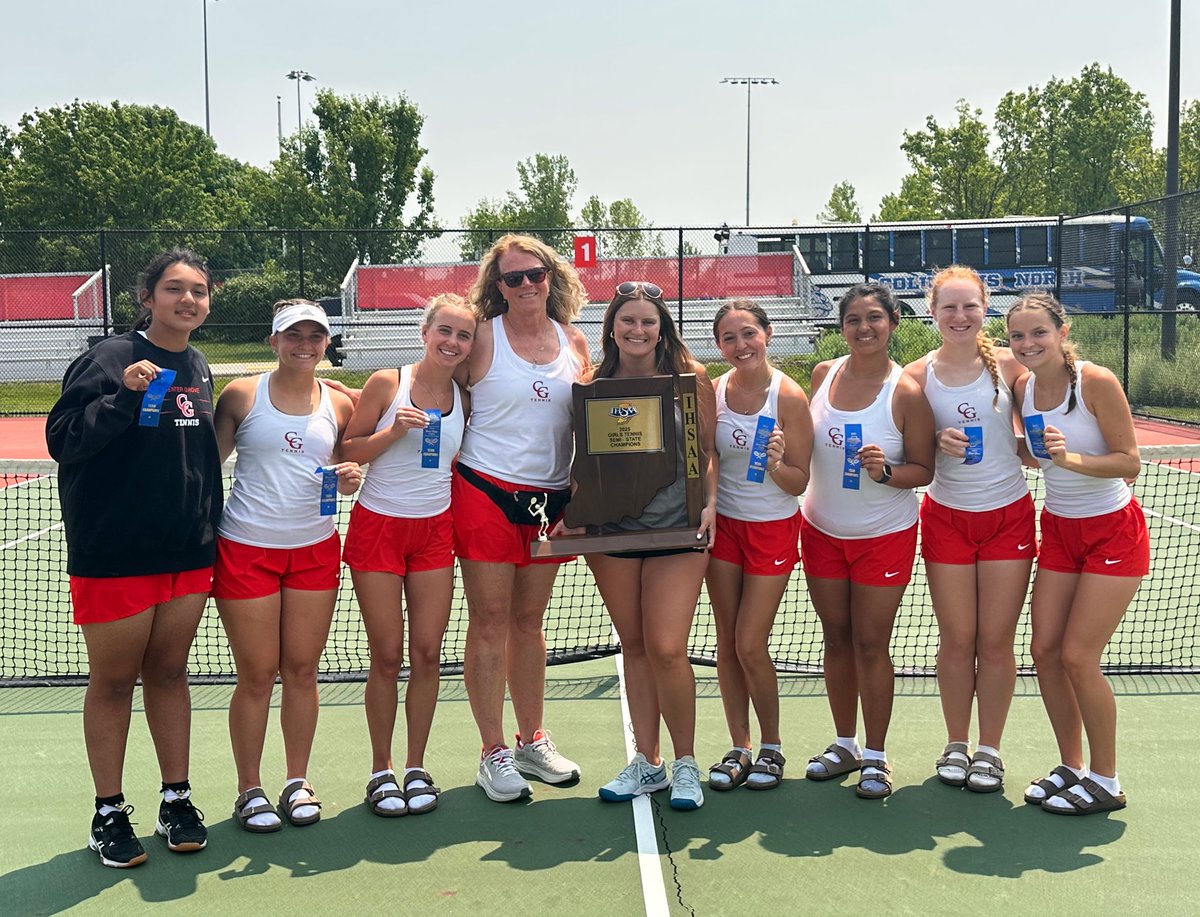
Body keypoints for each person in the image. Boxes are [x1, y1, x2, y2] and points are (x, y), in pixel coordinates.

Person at [46, 249, 220, 868]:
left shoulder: (198, 364)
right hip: (116, 554)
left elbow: (199, 454)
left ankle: (177, 799)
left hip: (187, 554)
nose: (188, 300)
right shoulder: (107, 358)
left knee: (170, 675)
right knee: (115, 682)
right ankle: (109, 810)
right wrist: (123, 394)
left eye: (198, 290)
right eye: (174, 289)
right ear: (147, 298)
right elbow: (64, 439)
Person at [213, 299, 362, 832]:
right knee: (256, 675)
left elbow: (344, 462)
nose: (304, 345)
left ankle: (297, 782)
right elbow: (204, 466)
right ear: (273, 341)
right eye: (293, 335)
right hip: (246, 549)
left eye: (314, 336)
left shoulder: (339, 403)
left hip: (314, 551)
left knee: (301, 671)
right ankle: (248, 789)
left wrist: (348, 477)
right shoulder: (240, 395)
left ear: (326, 343)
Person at [455, 234, 592, 803]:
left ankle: (532, 740)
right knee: (490, 621)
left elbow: (589, 427)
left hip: (549, 503)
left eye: (536, 274)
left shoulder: (574, 341)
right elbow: (440, 394)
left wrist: (580, 499)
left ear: (550, 277)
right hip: (484, 493)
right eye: (514, 278)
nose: (527, 284)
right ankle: (493, 752)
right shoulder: (481, 336)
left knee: (529, 622)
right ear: (499, 286)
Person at [1007, 292, 1148, 815]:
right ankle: (1073, 766)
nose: (1027, 344)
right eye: (1017, 336)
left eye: (1038, 333)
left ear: (1062, 332)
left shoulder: (1095, 382)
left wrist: (1072, 460)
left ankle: (1107, 781)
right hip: (1060, 530)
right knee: (1044, 651)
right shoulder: (1022, 387)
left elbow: (1129, 462)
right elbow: (1036, 453)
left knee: (1078, 656)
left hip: (1113, 531)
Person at [340, 294, 477, 817]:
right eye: (445, 331)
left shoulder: (466, 395)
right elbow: (348, 450)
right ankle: (381, 770)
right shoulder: (386, 383)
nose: (452, 342)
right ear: (425, 333)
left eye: (463, 335)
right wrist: (393, 431)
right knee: (387, 656)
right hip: (378, 528)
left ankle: (416, 767)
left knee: (427, 655)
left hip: (435, 533)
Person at [584, 281, 718, 810]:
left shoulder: (691, 377)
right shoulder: (592, 383)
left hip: (678, 532)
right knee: (635, 647)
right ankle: (648, 763)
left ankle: (685, 763)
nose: (637, 330)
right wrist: (577, 512)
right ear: (612, 327)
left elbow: (707, 450)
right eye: (628, 320)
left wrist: (709, 503)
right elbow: (582, 459)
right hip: (612, 535)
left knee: (666, 648)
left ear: (661, 330)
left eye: (647, 321)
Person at [902, 267, 1035, 793]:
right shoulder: (915, 375)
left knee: (996, 642)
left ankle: (990, 750)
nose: (960, 316)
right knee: (957, 640)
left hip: (1008, 517)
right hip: (947, 519)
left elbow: (1039, 431)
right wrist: (935, 441)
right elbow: (906, 448)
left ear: (986, 308)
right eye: (949, 307)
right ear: (932, 312)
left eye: (970, 306)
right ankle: (956, 744)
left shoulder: (1012, 366)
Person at [801, 282, 935, 799]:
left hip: (884, 536)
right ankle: (845, 745)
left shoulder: (906, 392)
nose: (864, 328)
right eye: (853, 319)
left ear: (894, 322)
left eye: (874, 318)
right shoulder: (822, 375)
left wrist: (885, 473)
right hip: (821, 532)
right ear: (841, 328)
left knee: (870, 643)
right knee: (835, 639)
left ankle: (876, 756)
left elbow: (923, 470)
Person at [705, 300, 812, 791]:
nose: (740, 345)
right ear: (719, 346)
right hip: (724, 528)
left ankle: (772, 746)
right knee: (727, 642)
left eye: (748, 333)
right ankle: (740, 747)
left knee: (751, 642)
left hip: (772, 528)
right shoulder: (714, 390)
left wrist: (775, 465)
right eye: (729, 338)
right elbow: (708, 456)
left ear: (766, 334)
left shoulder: (788, 397)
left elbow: (798, 482)